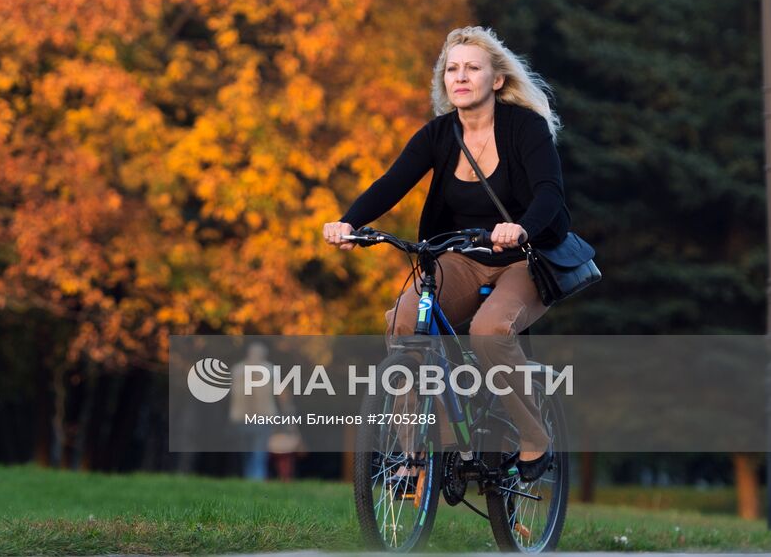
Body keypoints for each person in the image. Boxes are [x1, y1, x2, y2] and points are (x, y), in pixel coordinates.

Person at [323, 26, 575, 483]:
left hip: (524, 258)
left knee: (489, 332)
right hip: (460, 257)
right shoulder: (438, 135)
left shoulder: (525, 128)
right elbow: (391, 183)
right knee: (404, 322)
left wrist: (521, 228)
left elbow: (549, 193)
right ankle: (418, 455)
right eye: (452, 69)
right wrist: (349, 222)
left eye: (472, 68)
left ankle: (534, 436)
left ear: (496, 79)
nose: (460, 76)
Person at [229, 342, 276, 481]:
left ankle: (255, 478)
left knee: (255, 450)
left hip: (257, 417)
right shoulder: (240, 369)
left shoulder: (239, 369)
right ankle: (253, 478)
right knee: (251, 450)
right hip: (247, 417)